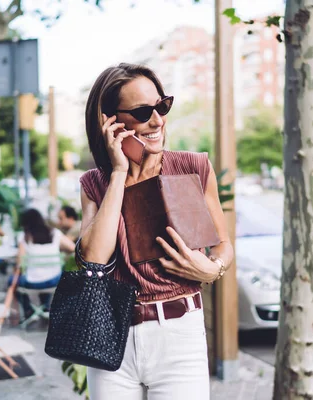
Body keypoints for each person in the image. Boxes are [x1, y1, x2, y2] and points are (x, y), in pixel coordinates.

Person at [78, 63, 233, 400]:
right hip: (113, 335)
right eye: (143, 111)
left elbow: (223, 244)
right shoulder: (94, 184)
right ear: (110, 121)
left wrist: (213, 268)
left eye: (162, 106)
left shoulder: (194, 167)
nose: (158, 120)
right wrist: (118, 171)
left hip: (179, 334)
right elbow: (93, 258)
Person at [13, 208, 75, 319]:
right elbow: (72, 247)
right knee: (48, 274)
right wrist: (57, 250)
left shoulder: (24, 237)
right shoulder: (55, 233)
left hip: (31, 283)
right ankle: (45, 307)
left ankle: (29, 310)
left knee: (11, 281)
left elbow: (19, 263)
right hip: (54, 280)